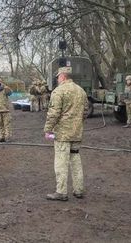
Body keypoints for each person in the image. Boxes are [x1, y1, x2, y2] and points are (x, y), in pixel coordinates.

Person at [44, 67, 89, 201]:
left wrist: (48, 129)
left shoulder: (58, 91)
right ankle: (79, 189)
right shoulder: (81, 91)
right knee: (75, 160)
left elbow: (54, 113)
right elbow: (85, 111)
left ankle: (61, 192)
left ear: (62, 76)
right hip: (76, 133)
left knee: (61, 162)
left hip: (63, 134)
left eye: (58, 77)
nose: (57, 80)